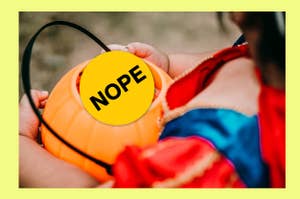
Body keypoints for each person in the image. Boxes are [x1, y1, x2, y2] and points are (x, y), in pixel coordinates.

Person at [19, 12, 285, 188]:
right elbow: (229, 61)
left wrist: (18, 144)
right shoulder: (271, 53)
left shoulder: (207, 164)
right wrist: (169, 66)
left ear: (240, 14)